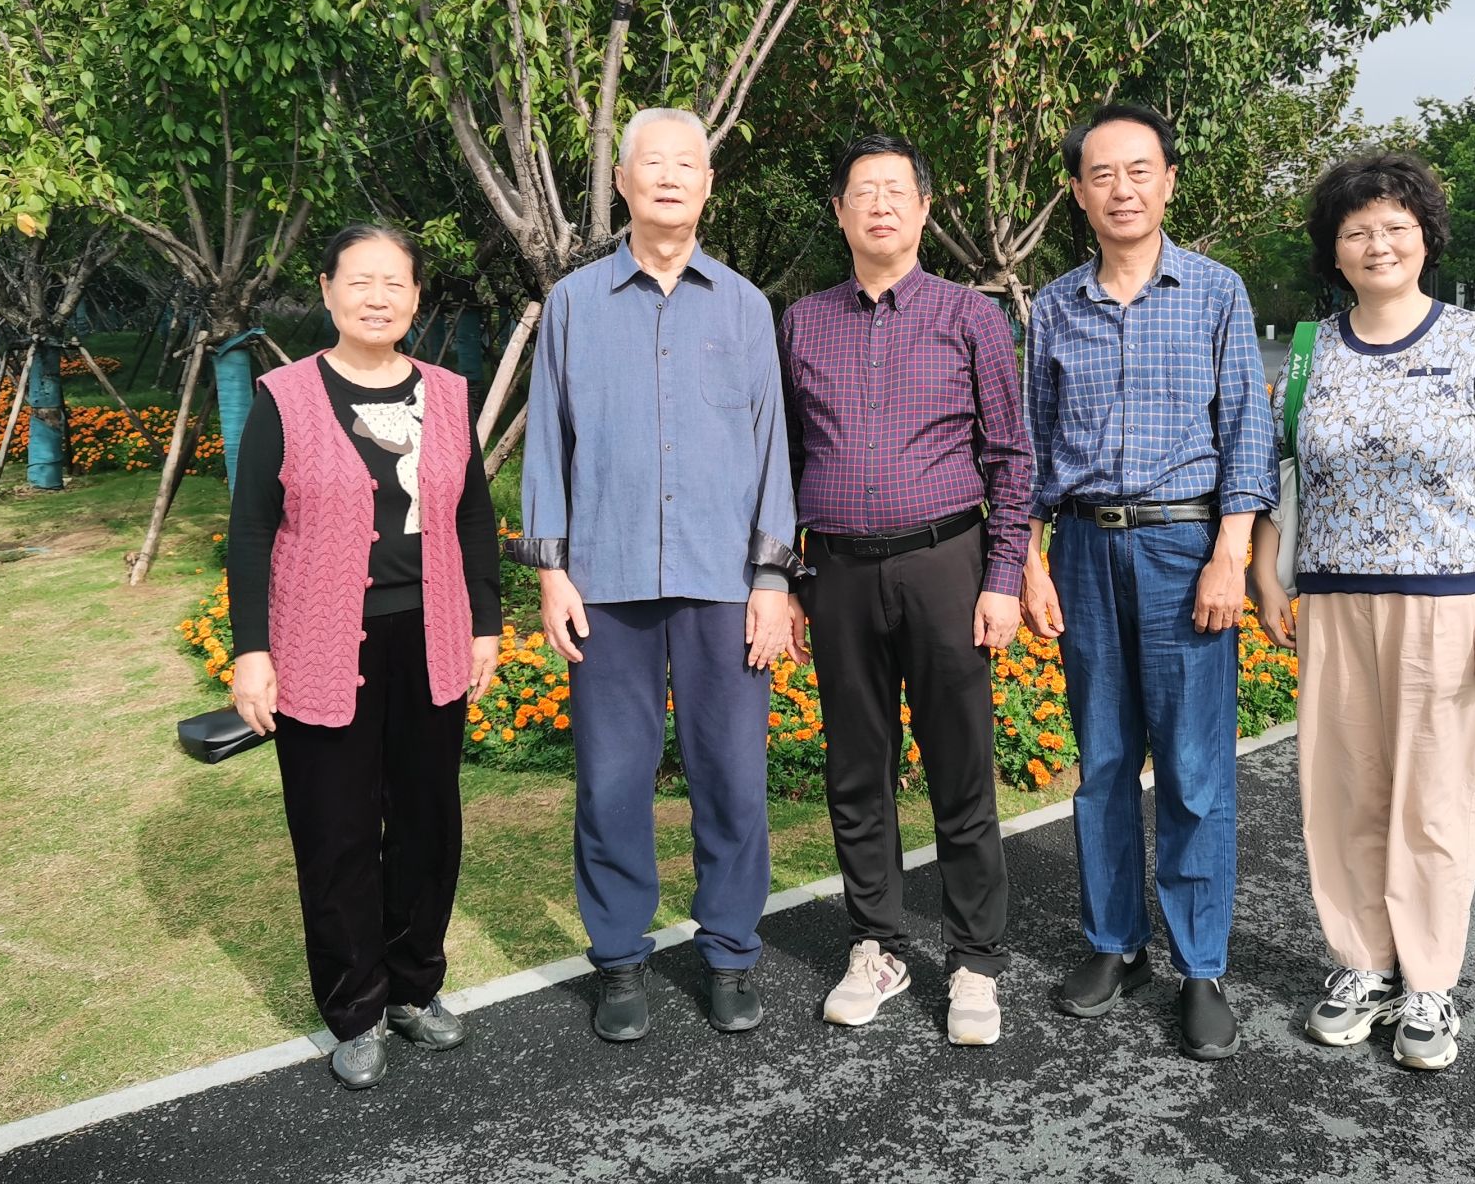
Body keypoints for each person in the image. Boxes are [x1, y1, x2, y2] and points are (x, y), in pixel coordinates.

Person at [1250, 151, 1475, 1072]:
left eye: (1395, 227)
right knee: (1342, 792)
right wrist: (1265, 572)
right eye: (1357, 231)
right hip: (1334, 601)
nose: (1378, 244)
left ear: (1425, 238)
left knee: (1435, 798)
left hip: (1446, 602)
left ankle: (1428, 982)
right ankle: (1362, 965)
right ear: (1333, 250)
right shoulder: (1311, 352)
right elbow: (1281, 471)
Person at [518, 107, 799, 1043]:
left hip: (725, 583)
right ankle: (620, 960)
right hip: (607, 580)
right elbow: (547, 445)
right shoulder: (573, 304)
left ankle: (730, 953)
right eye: (653, 163)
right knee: (610, 782)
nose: (670, 177)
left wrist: (773, 579)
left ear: (708, 185)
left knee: (733, 780)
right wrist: (551, 570)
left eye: (687, 164)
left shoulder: (745, 306)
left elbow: (773, 450)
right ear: (623, 182)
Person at [1021, 103, 1276, 1062]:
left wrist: (1230, 553)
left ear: (1168, 180)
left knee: (1194, 769)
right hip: (1085, 549)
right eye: (1101, 174)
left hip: (1183, 549)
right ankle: (1114, 944)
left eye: (1139, 171)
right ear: (1077, 192)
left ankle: (1200, 966)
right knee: (1102, 762)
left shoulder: (1215, 291)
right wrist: (1030, 560)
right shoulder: (1055, 307)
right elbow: (1033, 448)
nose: (1121, 190)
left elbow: (1247, 430)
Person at [227, 224, 503, 1090]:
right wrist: (251, 651)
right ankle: (355, 1007)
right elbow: (249, 532)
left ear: (416, 297)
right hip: (320, 642)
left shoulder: (448, 395)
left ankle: (415, 986)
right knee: (336, 830)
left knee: (428, 824)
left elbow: (472, 517)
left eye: (395, 283)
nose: (378, 297)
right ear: (327, 290)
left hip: (431, 635)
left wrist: (486, 624)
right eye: (360, 281)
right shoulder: (286, 397)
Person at [778, 134, 1033, 1046]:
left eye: (897, 190)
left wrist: (1003, 576)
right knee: (858, 770)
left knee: (961, 771)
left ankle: (975, 960)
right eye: (863, 191)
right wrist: (785, 578)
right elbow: (783, 461)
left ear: (924, 209)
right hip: (838, 573)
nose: (880, 204)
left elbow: (1011, 457)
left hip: (946, 565)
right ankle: (878, 945)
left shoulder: (970, 316)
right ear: (839, 211)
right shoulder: (802, 323)